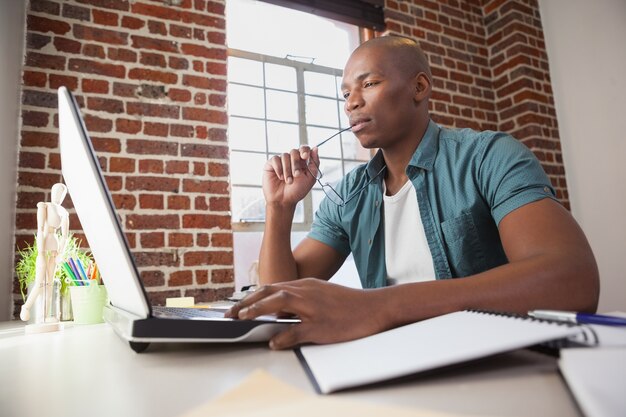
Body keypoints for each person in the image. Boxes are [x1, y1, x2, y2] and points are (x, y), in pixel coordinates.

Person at [225, 36, 599, 349]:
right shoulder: (348, 195)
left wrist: (378, 306)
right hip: (394, 363)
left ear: (419, 87)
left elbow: (572, 279)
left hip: (489, 362)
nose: (352, 102)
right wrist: (279, 208)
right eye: (345, 94)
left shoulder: (488, 156)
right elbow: (280, 305)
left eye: (368, 84)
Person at [20, 183, 69, 332]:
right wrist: (40, 253)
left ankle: (45, 315)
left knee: (49, 284)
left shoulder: (64, 212)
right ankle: (27, 306)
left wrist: (61, 253)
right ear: (52, 191)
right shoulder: (44, 206)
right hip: (44, 244)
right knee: (40, 282)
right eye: (56, 191)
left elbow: (65, 236)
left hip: (54, 248)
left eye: (61, 192)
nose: (58, 195)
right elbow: (40, 229)